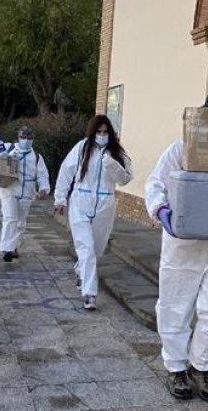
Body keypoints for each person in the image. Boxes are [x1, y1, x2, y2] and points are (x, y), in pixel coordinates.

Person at [144, 89, 208, 402]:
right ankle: (176, 367)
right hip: (182, 246)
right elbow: (155, 184)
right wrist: (161, 210)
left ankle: (202, 366)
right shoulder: (179, 150)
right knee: (175, 306)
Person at [54, 114, 132, 311]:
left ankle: (81, 269)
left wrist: (113, 166)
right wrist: (60, 199)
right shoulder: (82, 148)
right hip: (81, 201)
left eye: (106, 132)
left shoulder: (117, 153)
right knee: (86, 247)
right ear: (92, 132)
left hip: (105, 204)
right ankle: (89, 293)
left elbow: (125, 179)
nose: (102, 135)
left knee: (96, 249)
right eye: (99, 131)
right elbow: (66, 171)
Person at [0, 125, 51, 261]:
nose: (26, 140)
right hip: (9, 189)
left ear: (33, 139)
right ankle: (7, 249)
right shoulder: (8, 148)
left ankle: (14, 246)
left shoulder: (36, 157)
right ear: (18, 137)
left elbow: (42, 174)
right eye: (23, 137)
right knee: (10, 218)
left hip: (27, 191)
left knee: (20, 222)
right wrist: (0, 159)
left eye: (29, 137)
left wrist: (44, 188)